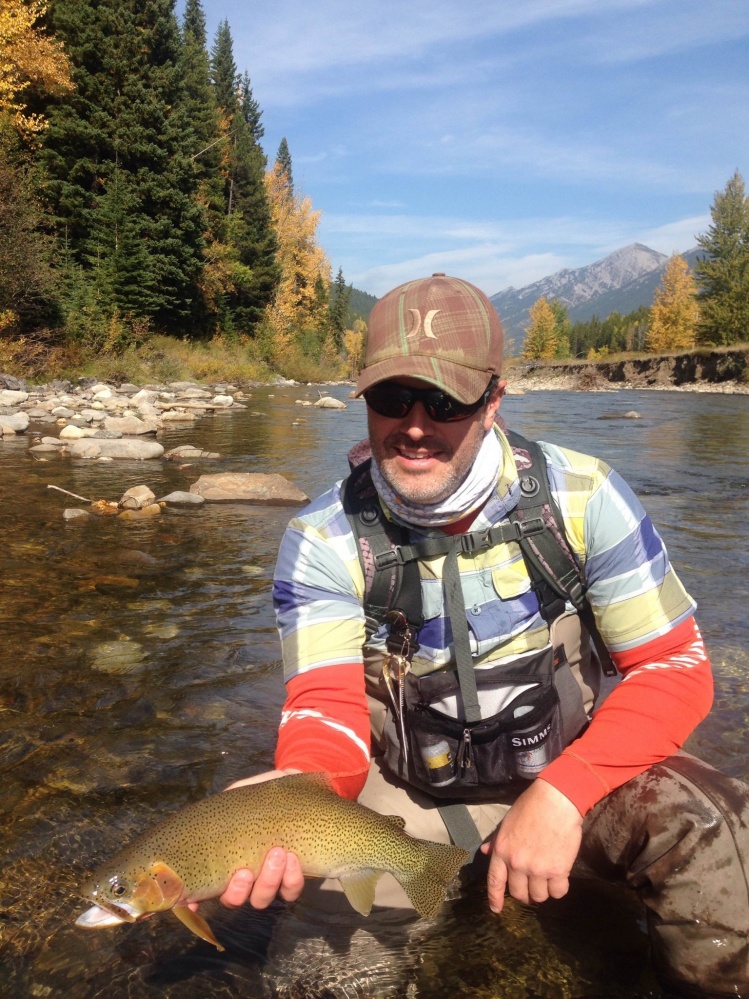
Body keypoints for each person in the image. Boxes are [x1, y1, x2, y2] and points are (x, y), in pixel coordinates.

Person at [217, 274, 749, 998]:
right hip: (402, 796)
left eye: (444, 400)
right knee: (323, 979)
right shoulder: (324, 536)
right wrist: (296, 789)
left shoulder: (583, 497)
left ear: (494, 399)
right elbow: (323, 706)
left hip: (572, 775)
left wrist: (563, 792)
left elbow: (673, 667)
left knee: (715, 830)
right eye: (389, 397)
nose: (412, 424)